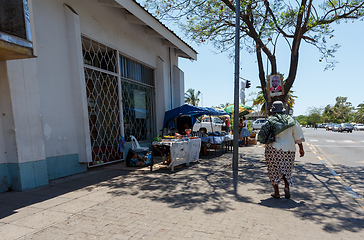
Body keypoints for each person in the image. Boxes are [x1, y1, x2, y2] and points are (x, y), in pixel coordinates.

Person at [258, 101, 305, 199]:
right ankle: (286, 187)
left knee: (273, 170)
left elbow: (263, 133)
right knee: (286, 169)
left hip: (273, 149)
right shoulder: (292, 120)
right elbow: (298, 136)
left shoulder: (271, 120)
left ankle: (276, 192)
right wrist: (301, 149)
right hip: (289, 149)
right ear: (283, 109)